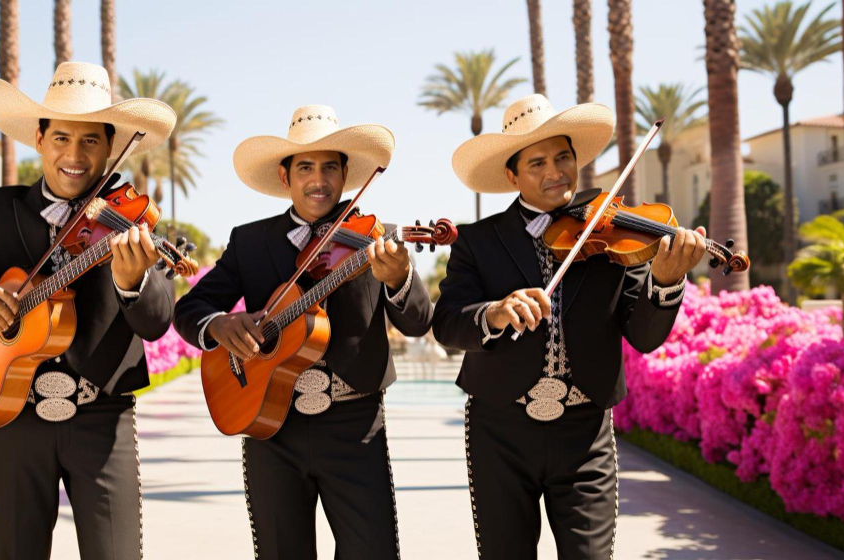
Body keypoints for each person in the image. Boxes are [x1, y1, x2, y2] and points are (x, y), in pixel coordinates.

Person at [0, 62, 178, 560]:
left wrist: (133, 283)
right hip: (10, 415)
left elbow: (156, 322)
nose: (74, 155)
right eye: (61, 137)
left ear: (110, 147)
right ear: (39, 139)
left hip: (101, 419)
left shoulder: (130, 224)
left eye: (90, 141)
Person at [433, 94, 707, 559]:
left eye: (563, 157)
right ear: (512, 176)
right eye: (537, 163)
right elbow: (446, 324)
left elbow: (644, 337)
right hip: (499, 428)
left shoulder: (614, 234)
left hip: (585, 432)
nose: (555, 172)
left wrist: (665, 280)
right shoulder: (477, 241)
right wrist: (494, 313)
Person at [173, 105, 432, 559]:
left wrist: (399, 278)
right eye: (306, 167)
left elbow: (418, 322)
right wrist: (220, 324)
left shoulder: (378, 239)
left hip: (356, 426)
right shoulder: (249, 242)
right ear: (285, 176)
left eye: (330, 167)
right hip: (271, 424)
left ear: (345, 175)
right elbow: (189, 308)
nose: (319, 180)